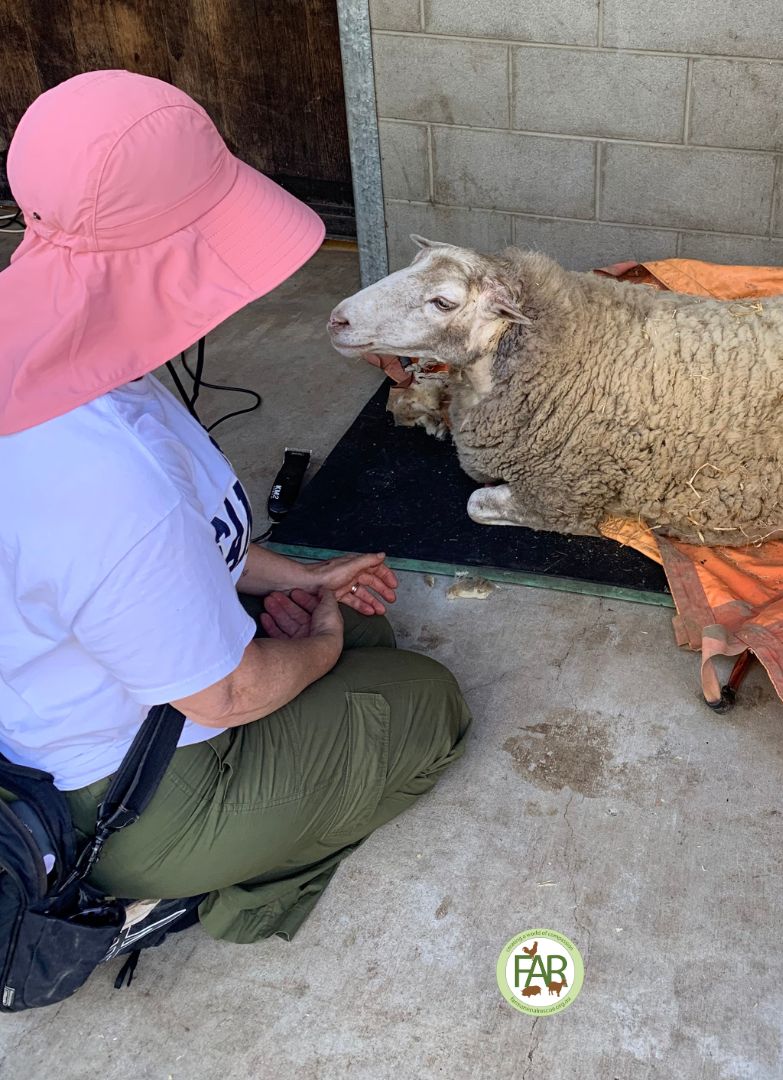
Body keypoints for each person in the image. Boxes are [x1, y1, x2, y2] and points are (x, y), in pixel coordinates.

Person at [0, 71, 471, 944]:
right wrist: (316, 649)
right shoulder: (103, 477)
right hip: (126, 797)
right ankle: (194, 894)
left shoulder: (67, 361)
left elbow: (157, 543)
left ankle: (294, 708)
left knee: (359, 627)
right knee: (424, 704)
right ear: (164, 264)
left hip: (106, 687)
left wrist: (303, 575)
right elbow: (225, 691)